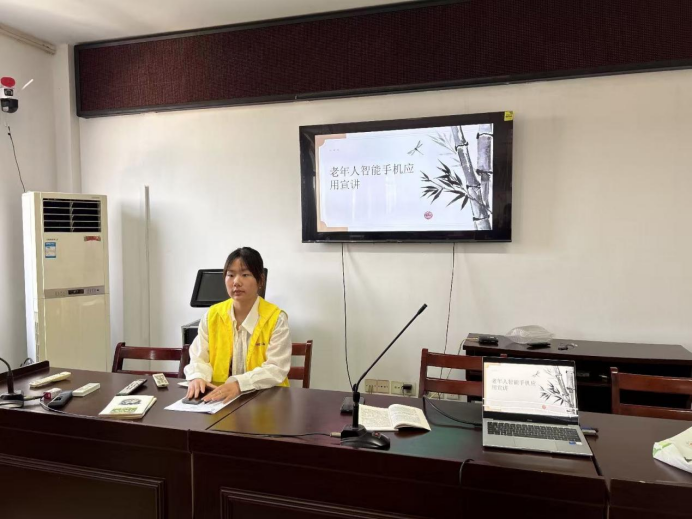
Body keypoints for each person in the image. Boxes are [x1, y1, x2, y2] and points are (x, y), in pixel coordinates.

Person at [184, 247, 291, 403]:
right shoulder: (212, 315)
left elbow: (276, 368)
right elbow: (198, 357)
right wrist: (197, 376)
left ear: (260, 280)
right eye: (231, 275)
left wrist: (239, 384)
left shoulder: (276, 318)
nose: (236, 282)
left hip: (265, 401)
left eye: (245, 275)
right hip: (219, 401)